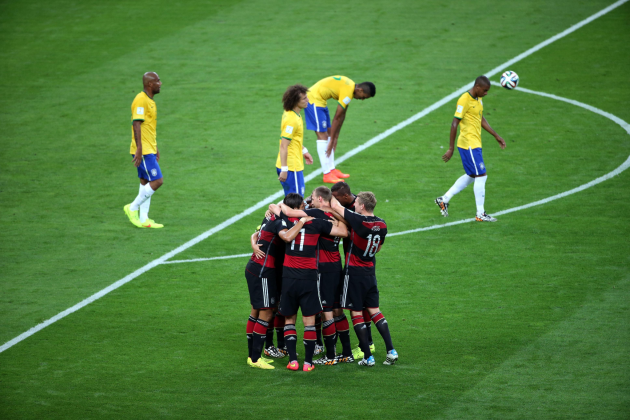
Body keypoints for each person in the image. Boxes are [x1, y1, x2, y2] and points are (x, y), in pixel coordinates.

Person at [270, 193, 348, 372]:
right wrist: (335, 214)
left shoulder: (283, 221)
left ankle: (293, 361)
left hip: (289, 277)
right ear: (301, 208)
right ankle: (308, 363)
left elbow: (276, 208)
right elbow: (344, 232)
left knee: (289, 319)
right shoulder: (317, 222)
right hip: (309, 277)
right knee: (310, 322)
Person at [330, 192, 398, 366]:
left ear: (362, 206)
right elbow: (378, 248)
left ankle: (368, 356)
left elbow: (335, 206)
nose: (354, 205)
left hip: (354, 273)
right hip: (370, 272)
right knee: (375, 311)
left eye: (356, 203)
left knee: (356, 313)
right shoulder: (382, 224)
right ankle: (391, 350)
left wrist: (325, 195)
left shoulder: (358, 220)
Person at [244, 196, 310, 369]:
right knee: (265, 313)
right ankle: (255, 359)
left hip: (259, 268)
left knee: (257, 311)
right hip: (263, 271)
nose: (304, 209)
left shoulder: (270, 216)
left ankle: (253, 355)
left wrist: (254, 243)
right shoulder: (280, 221)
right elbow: (287, 237)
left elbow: (256, 234)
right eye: (301, 207)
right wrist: (302, 221)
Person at [435, 75, 506, 222]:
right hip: (468, 144)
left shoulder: (478, 99)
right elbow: (454, 123)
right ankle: (480, 214)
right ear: (477, 87)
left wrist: (496, 135)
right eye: (485, 90)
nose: (486, 93)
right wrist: (450, 148)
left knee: (472, 175)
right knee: (482, 175)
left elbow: (480, 118)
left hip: (475, 144)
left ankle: (444, 199)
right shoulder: (464, 100)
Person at [305, 76, 376, 184]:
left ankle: (332, 169)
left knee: (330, 134)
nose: (362, 99)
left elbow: (343, 114)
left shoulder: (350, 88)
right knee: (323, 136)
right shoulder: (348, 91)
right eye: (363, 97)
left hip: (320, 101)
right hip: (313, 100)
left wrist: (335, 136)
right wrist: (332, 139)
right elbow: (337, 117)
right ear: (360, 90)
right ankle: (326, 174)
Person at [124, 72, 165, 229]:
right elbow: (136, 124)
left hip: (149, 148)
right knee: (157, 181)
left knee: (145, 182)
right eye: (157, 81)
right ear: (150, 84)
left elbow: (148, 127)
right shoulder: (141, 100)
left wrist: (155, 147)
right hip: (143, 150)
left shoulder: (150, 100)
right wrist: (139, 149)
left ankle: (144, 219)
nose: (160, 83)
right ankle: (132, 208)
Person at [276, 84, 314, 197]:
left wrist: (304, 151)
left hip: (290, 165)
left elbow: (293, 139)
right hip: (291, 167)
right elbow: (284, 145)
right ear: (295, 101)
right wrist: (285, 169)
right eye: (304, 98)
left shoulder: (292, 113)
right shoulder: (292, 120)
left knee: (292, 200)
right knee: (296, 201)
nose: (307, 100)